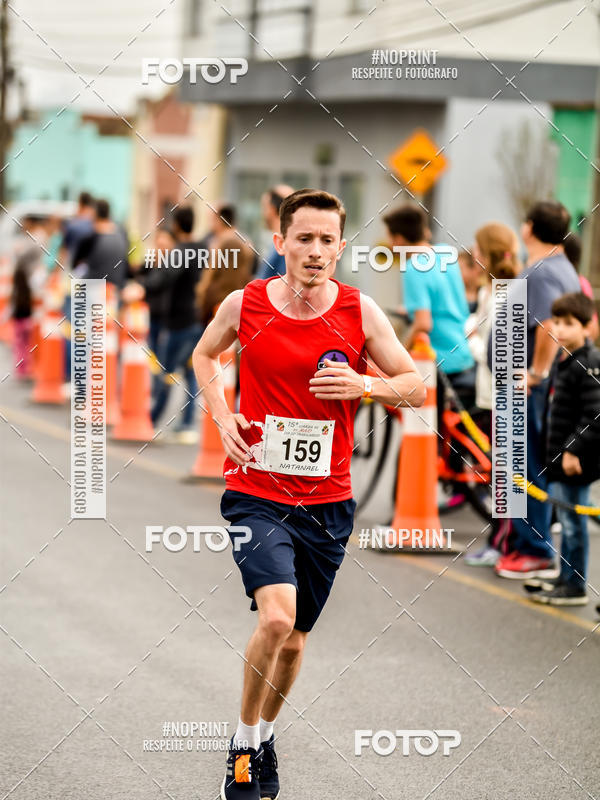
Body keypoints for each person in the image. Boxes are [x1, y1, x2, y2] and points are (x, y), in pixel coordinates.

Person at [192, 188, 426, 800]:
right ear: (281, 242)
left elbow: (417, 386)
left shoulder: (360, 311)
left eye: (327, 240)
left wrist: (363, 383)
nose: (315, 250)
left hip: (328, 501)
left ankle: (266, 734)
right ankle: (242, 750)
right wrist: (221, 414)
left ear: (340, 247)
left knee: (295, 642)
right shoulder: (245, 304)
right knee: (277, 617)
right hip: (256, 492)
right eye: (304, 238)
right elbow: (204, 356)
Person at [494, 201, 581, 579]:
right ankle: (524, 544)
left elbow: (547, 325)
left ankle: (533, 549)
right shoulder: (565, 268)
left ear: (529, 228)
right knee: (532, 463)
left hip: (533, 389)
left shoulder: (543, 272)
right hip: (549, 386)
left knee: (526, 463)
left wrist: (535, 373)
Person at [523, 293, 600, 605]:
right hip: (559, 459)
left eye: (570, 324)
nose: (561, 329)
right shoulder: (566, 359)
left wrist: (571, 451)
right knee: (567, 521)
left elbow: (595, 414)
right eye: (558, 322)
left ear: (587, 327)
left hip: (574, 461)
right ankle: (566, 575)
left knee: (573, 523)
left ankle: (575, 585)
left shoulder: (589, 363)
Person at [383, 204, 475, 416]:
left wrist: (401, 351)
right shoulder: (445, 253)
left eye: (389, 237)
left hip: (440, 359)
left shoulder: (414, 268)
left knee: (427, 429)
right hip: (462, 351)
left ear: (398, 239)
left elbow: (424, 324)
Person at [464, 223, 520, 567]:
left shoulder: (504, 292)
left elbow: (499, 352)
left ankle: (503, 543)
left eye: (477, 250)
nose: (473, 255)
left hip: (504, 396)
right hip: (492, 395)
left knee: (506, 474)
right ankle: (500, 541)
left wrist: (469, 338)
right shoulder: (490, 291)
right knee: (500, 472)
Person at [151, 206, 203, 441]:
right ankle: (188, 425)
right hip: (197, 320)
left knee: (167, 371)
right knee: (191, 372)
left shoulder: (180, 251)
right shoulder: (203, 249)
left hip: (179, 323)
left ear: (176, 226)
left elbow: (163, 278)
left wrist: (141, 285)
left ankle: (151, 420)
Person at [72, 199, 129, 287]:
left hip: (93, 291)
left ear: (95, 214)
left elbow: (76, 266)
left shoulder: (91, 238)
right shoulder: (122, 234)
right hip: (115, 291)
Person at [254, 185, 294, 279]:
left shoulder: (284, 244)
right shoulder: (278, 242)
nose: (262, 213)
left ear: (271, 209)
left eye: (264, 207)